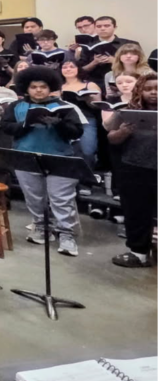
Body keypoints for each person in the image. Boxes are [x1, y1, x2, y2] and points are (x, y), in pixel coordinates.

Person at [1, 67, 84, 256]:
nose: (38, 90)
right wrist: (26, 124)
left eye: (43, 87)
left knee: (61, 199)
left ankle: (66, 234)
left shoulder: (65, 107)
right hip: (25, 156)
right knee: (34, 197)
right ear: (26, 88)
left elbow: (77, 132)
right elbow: (6, 127)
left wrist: (59, 123)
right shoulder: (16, 107)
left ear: (51, 88)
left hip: (60, 157)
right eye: (34, 87)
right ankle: (41, 227)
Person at [105, 73, 157, 267]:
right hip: (134, 168)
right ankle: (138, 252)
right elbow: (112, 138)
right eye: (148, 89)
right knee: (136, 212)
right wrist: (123, 132)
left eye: (157, 89)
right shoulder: (127, 112)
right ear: (139, 91)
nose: (153, 93)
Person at [59, 58, 102, 170]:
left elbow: (97, 106)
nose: (68, 69)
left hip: (86, 119)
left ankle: (87, 180)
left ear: (78, 69)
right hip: (64, 120)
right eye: (65, 67)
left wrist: (88, 99)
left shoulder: (90, 85)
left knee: (88, 149)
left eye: (72, 66)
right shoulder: (58, 86)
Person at [81, 16, 138, 84]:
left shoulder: (129, 44)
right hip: (96, 82)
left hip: (125, 81)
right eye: (99, 26)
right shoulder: (87, 46)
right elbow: (81, 70)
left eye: (107, 26)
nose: (102, 28)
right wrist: (94, 63)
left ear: (115, 27)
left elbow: (140, 65)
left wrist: (115, 61)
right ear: (95, 28)